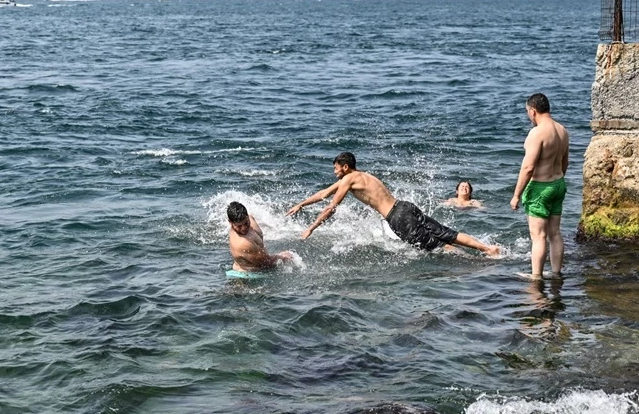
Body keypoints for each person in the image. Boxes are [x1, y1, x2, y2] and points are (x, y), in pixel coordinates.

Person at [286, 152, 500, 256]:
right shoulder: (362, 177)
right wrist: (301, 205)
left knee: (438, 247)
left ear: (344, 167)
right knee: (447, 233)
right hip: (405, 206)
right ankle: (487, 249)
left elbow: (331, 206)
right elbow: (324, 193)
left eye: (335, 168)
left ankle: (478, 263)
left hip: (397, 218)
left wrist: (311, 228)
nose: (334, 173)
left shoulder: (349, 180)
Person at [510, 93, 569, 279]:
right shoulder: (562, 130)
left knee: (539, 236)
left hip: (540, 188)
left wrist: (516, 195)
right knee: (555, 233)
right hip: (558, 184)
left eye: (528, 112)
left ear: (533, 111)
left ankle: (536, 277)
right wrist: (555, 182)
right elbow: (565, 162)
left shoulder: (537, 133)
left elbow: (528, 168)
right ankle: (556, 273)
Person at [227, 201, 294, 273]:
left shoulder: (250, 218)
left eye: (246, 223)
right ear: (230, 222)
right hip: (246, 277)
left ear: (247, 217)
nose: (244, 228)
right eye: (239, 226)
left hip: (261, 267)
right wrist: (282, 256)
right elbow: (266, 263)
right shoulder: (243, 243)